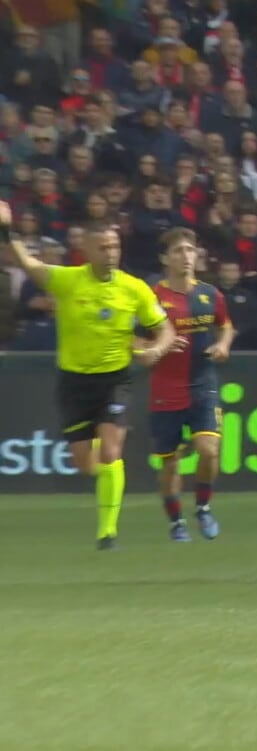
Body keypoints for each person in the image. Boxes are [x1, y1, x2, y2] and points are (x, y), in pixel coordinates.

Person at [0, 202, 176, 549]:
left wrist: (156, 350)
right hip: (74, 383)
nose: (110, 253)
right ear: (87, 250)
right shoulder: (69, 280)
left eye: (114, 246)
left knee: (111, 450)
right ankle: (109, 480)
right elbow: (29, 264)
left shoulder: (134, 288)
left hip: (114, 381)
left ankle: (107, 533)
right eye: (103, 247)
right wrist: (7, 232)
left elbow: (165, 329)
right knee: (85, 463)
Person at [146, 229, 233, 542]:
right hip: (166, 390)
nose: (185, 256)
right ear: (164, 258)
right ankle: (176, 522)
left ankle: (203, 508)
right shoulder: (152, 298)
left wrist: (223, 345)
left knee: (209, 450)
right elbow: (134, 339)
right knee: (170, 463)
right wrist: (156, 348)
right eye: (178, 251)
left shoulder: (210, 294)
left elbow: (226, 325)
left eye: (189, 250)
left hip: (203, 384)